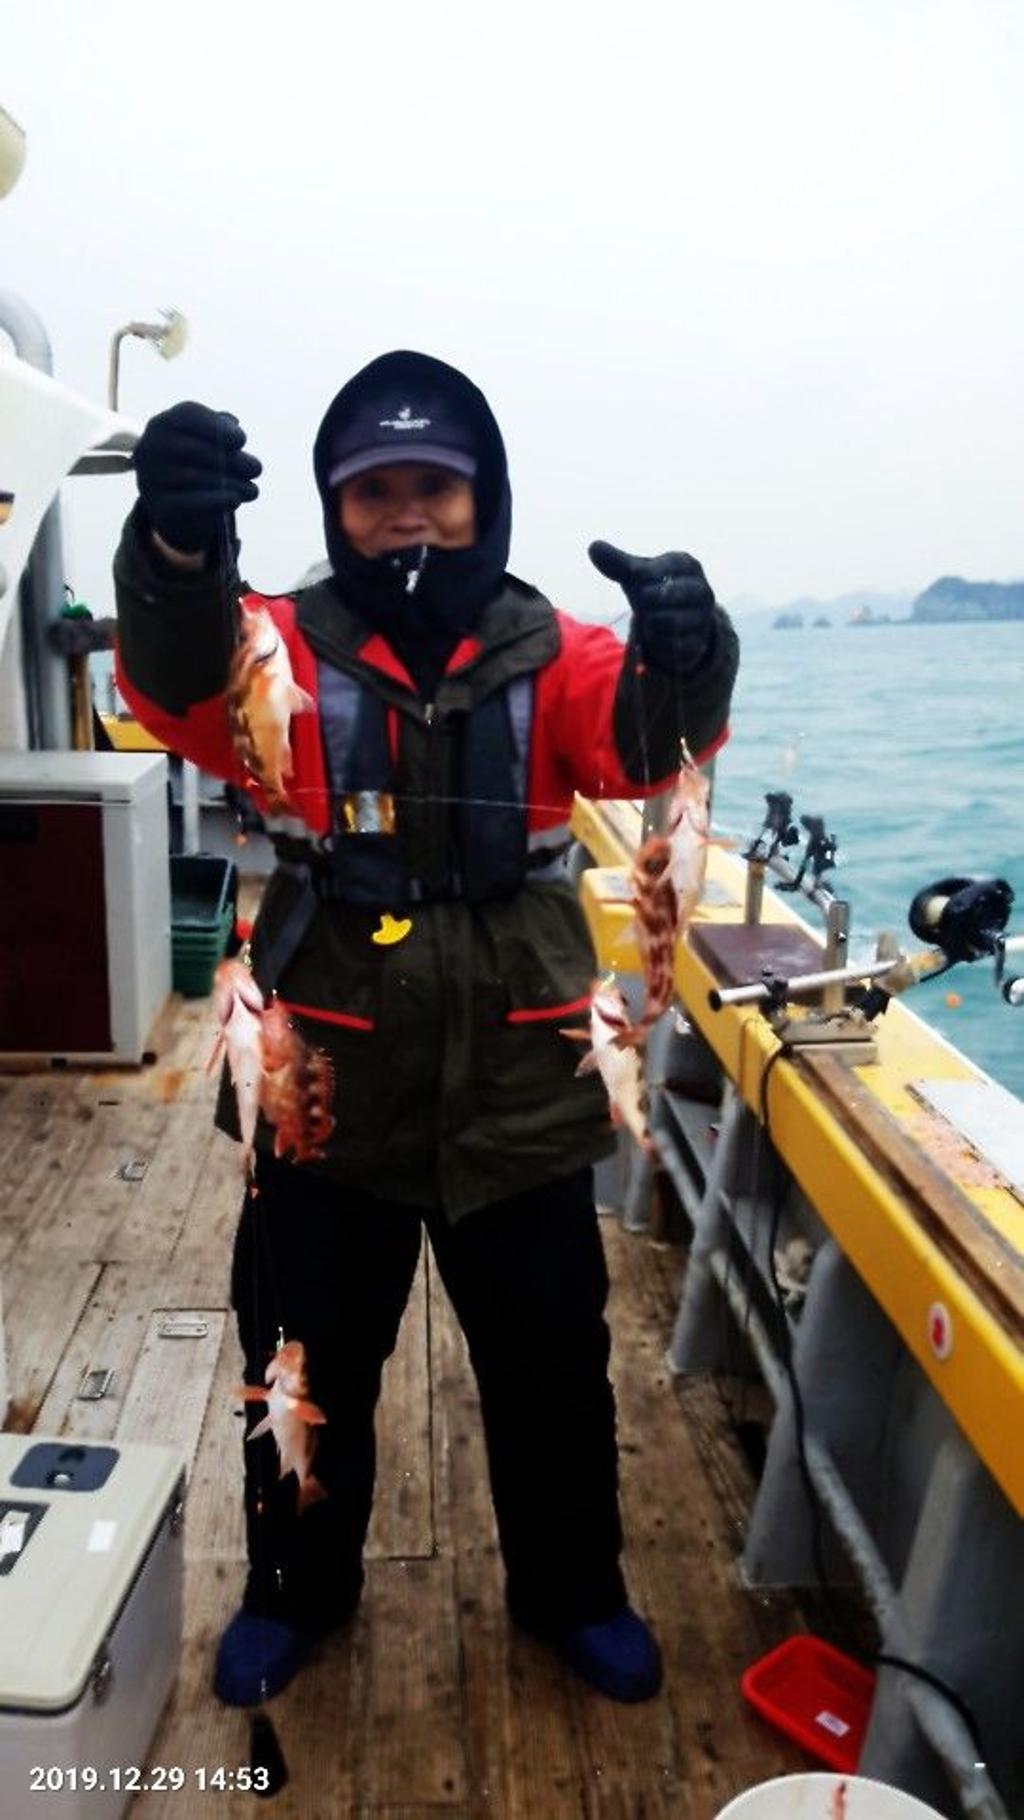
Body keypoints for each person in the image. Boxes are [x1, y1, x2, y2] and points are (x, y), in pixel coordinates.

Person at [113, 349, 739, 1709]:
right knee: (301, 1363)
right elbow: (168, 684)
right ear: (334, 508)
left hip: (523, 1082)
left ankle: (576, 1591)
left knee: (553, 1368)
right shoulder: (269, 643)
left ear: (484, 498)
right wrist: (173, 550)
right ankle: (293, 1589)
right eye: (375, 490)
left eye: (436, 488)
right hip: (321, 1085)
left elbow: (649, 746)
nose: (407, 513)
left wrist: (691, 655)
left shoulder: (556, 648)